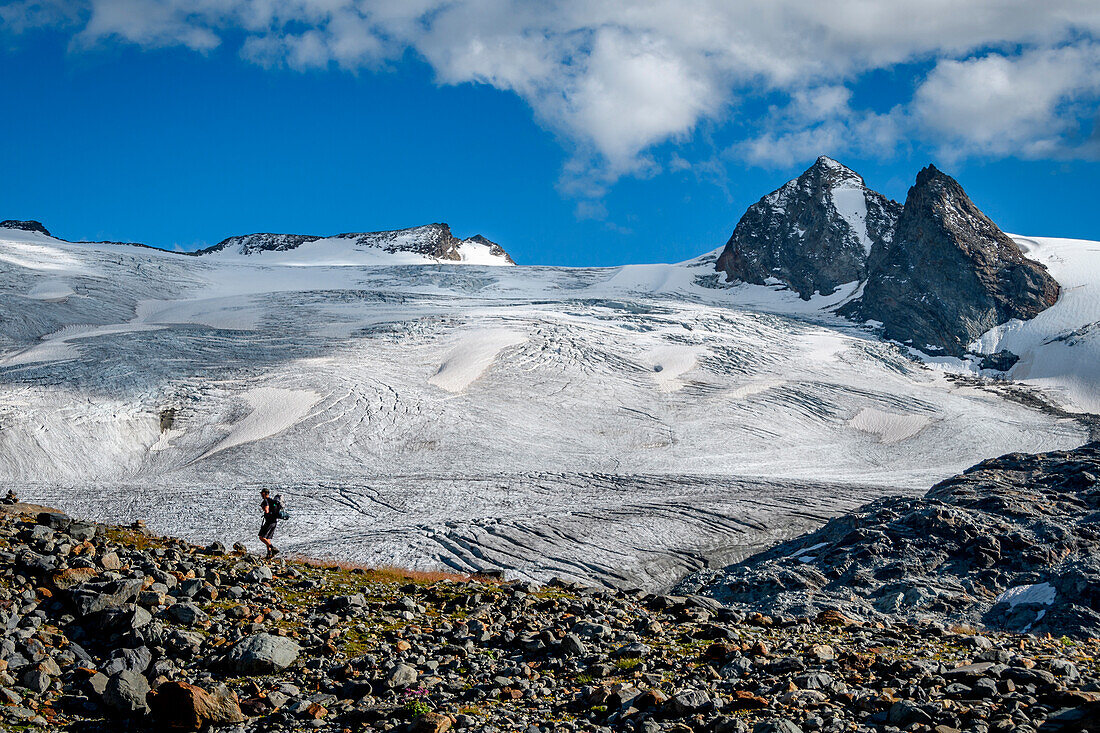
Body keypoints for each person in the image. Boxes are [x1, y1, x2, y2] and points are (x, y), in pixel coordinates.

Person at [258, 488, 280, 559]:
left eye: (262, 493)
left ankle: (273, 548)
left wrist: (263, 508)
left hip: (269, 521)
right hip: (274, 521)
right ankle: (269, 554)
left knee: (262, 537)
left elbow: (266, 510)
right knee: (268, 538)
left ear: (264, 493)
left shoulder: (266, 501)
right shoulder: (273, 501)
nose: (261, 494)